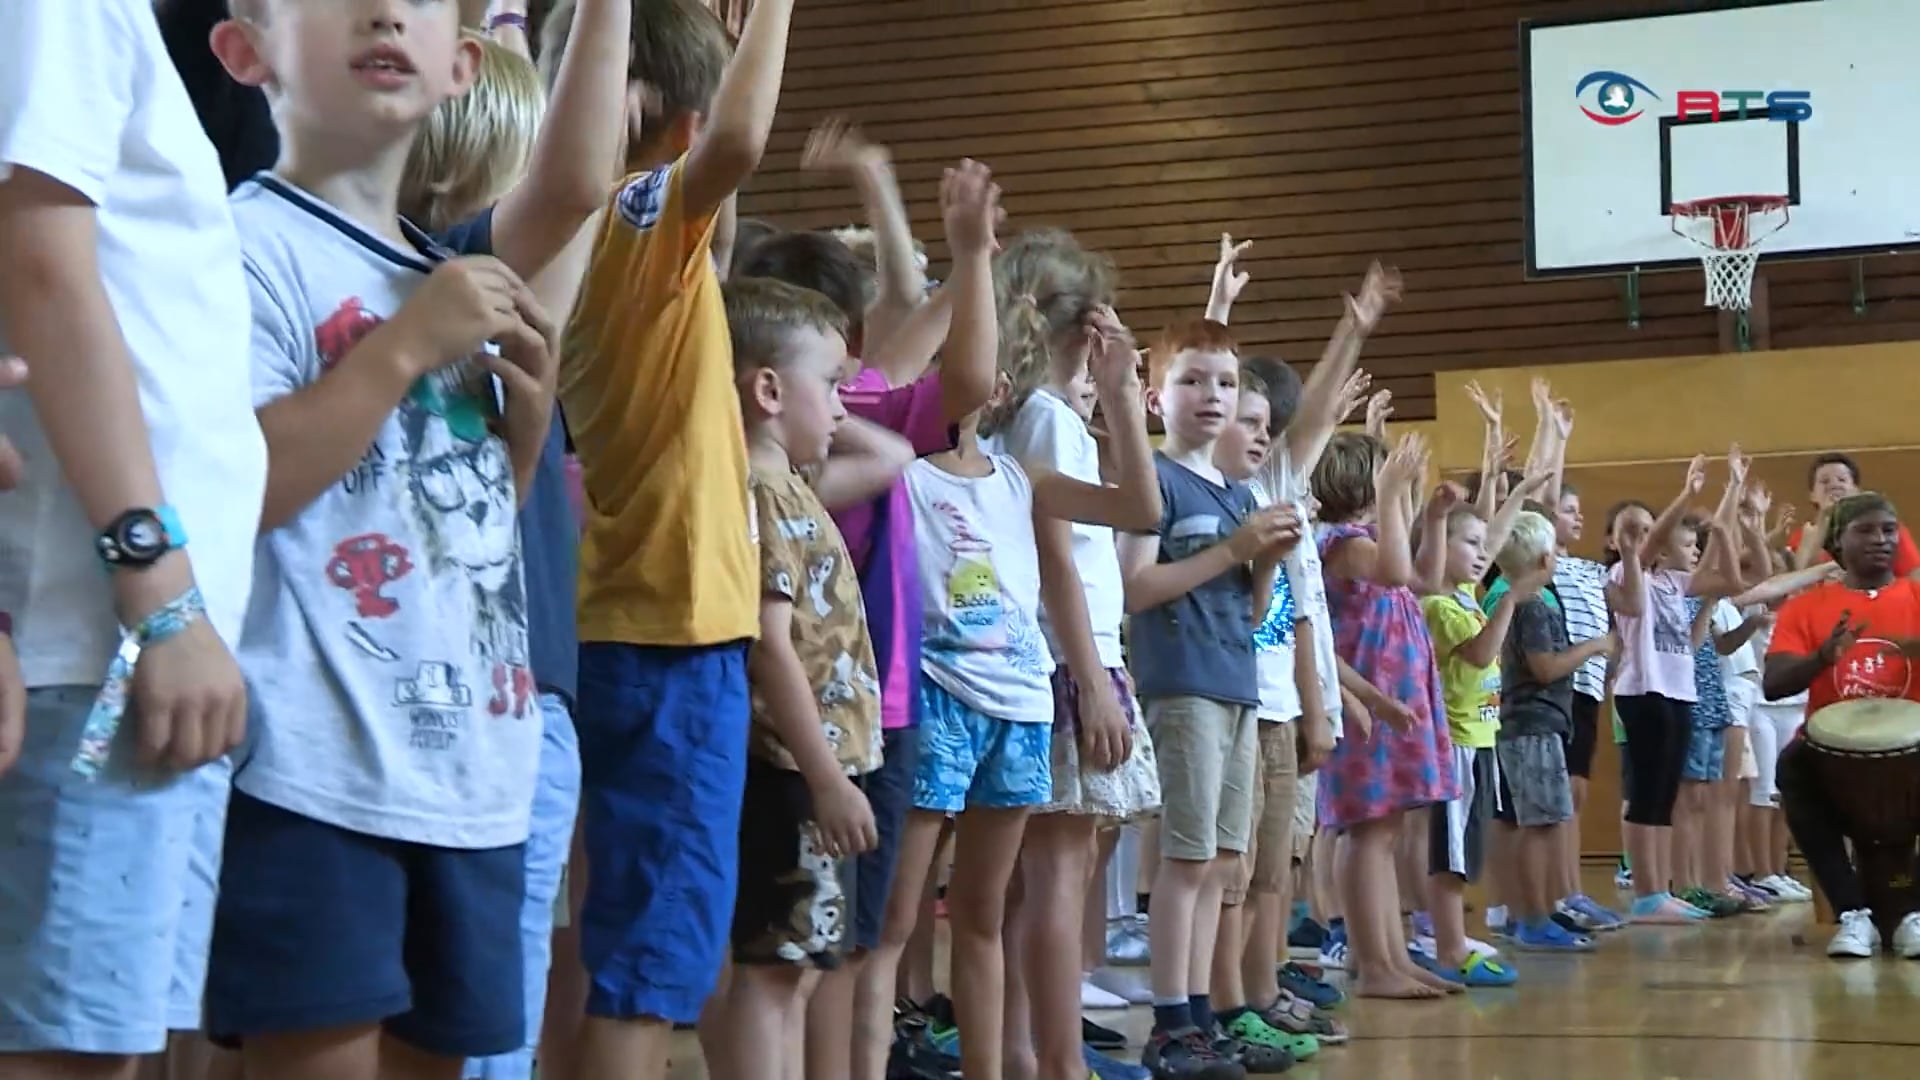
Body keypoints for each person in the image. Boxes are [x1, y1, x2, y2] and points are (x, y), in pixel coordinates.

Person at [200, 2, 560, 1077]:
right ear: (244, 49)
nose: (385, 10)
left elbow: (463, 535)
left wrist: (526, 437)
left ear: (461, 64)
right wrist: (402, 348)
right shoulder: (243, 241)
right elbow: (241, 487)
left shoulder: (452, 276)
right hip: (316, 768)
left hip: (475, 772)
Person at [0, 2, 268, 1075]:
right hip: (98, 637)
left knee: (102, 1048)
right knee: (63, 1054)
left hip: (126, 637)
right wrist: (161, 594)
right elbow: (42, 266)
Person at [545, 0, 798, 1075]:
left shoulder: (564, 225)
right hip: (671, 637)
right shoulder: (637, 218)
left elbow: (722, 193)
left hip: (608, 623)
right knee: (653, 954)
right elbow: (738, 146)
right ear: (679, 125)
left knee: (593, 933)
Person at [395, 2, 634, 1074]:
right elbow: (579, 185)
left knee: (489, 999)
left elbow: (583, 190)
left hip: (523, 690)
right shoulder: (445, 268)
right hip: (481, 691)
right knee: (476, 1007)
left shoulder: (496, 294)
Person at [891, 266, 1160, 1080]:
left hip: (1018, 710)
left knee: (979, 912)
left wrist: (1119, 398)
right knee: (899, 918)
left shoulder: (1020, 478)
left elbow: (1140, 510)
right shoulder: (898, 467)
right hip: (939, 704)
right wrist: (968, 254)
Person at [703, 276, 911, 1078]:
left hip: (815, 766)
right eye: (829, 386)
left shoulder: (789, 484)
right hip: (792, 770)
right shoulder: (757, 491)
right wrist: (826, 779)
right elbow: (771, 646)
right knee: (772, 971)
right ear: (765, 390)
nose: (840, 406)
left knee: (794, 970)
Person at [987, 230, 1163, 1080]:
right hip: (1068, 661)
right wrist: (1091, 681)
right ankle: (1059, 1060)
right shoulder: (1047, 418)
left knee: (1042, 880)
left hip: (1068, 657)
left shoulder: (1039, 416)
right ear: (1089, 330)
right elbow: (1056, 555)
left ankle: (1029, 1052)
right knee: (1058, 877)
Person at [1120, 317, 1302, 1079]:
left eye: (1224, 382)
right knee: (1187, 863)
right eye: (1192, 380)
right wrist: (1234, 550)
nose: (1211, 395)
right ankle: (1169, 1023)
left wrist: (1264, 561)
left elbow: (1254, 613)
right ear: (1157, 396)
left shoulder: (1235, 493)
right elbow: (1134, 587)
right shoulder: (1155, 480)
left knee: (1221, 863)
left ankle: (1197, 1012)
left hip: (1234, 685)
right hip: (1183, 685)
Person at [1767, 492, 1920, 958]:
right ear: (1839, 541)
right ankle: (1854, 914)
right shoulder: (1807, 607)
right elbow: (1773, 683)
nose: (1880, 539)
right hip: (1829, 755)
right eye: (1866, 530)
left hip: (1913, 749)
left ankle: (1914, 913)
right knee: (1791, 766)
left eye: (1889, 530)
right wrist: (1820, 657)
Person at [1416, 475, 1545, 980]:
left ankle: (1452, 940)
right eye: (1467, 544)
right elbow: (1481, 653)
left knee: (1467, 848)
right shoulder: (1440, 605)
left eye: (1480, 544)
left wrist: (1522, 488)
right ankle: (1448, 949)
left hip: (1480, 740)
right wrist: (1510, 598)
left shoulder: (1466, 593)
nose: (1481, 552)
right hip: (1455, 747)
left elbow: (1493, 535)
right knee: (1450, 855)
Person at [1493, 512, 1612, 951]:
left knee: (1544, 823)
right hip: (1532, 726)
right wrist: (1595, 646)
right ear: (1546, 558)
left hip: (1539, 726)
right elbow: (1544, 668)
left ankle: (1543, 912)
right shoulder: (1535, 606)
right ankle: (1533, 918)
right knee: (1538, 825)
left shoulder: (1534, 602)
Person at [1790, 453, 1920, 577]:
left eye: (1842, 479)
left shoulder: (1885, 529)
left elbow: (1915, 575)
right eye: (1825, 481)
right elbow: (1798, 585)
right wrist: (1822, 523)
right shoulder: (1801, 537)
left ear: (1856, 491)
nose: (1834, 485)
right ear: (1812, 495)